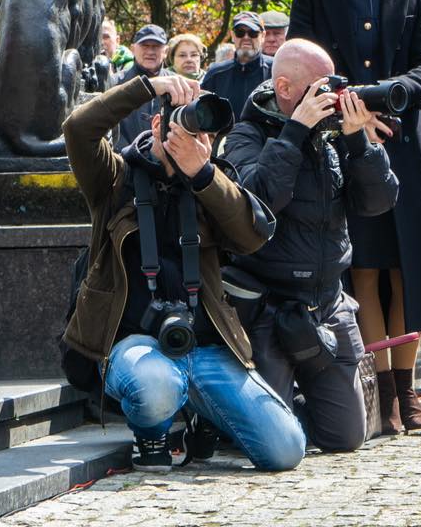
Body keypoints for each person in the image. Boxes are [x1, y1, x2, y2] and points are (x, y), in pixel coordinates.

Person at [61, 70, 304, 473]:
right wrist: (149, 86)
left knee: (286, 449)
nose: (193, 136)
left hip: (205, 348)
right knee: (157, 384)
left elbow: (252, 235)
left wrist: (204, 174)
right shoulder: (115, 176)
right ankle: (150, 435)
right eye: (182, 122)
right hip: (132, 346)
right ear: (157, 124)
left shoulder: (213, 181)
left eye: (202, 130)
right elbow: (78, 128)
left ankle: (203, 414)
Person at [288, 0, 421, 432]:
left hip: (402, 142)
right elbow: (308, 67)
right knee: (365, 268)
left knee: (407, 269)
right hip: (342, 143)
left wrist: (381, 100)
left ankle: (410, 392)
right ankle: (379, 393)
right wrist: (352, 113)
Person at [221, 39, 397, 452]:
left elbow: (379, 202)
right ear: (284, 88)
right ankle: (242, 408)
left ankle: (290, 406)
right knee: (273, 442)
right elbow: (258, 203)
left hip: (328, 302)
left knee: (346, 437)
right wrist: (295, 132)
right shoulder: (246, 135)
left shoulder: (335, 137)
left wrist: (359, 142)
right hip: (268, 304)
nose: (331, 97)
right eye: (320, 88)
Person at [201, 12, 272, 110]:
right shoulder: (215, 74)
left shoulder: (275, 70)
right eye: (240, 32)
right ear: (233, 35)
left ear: (263, 36)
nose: (246, 37)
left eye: (253, 33)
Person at [115, 25, 169, 146]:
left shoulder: (177, 85)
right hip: (124, 159)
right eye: (144, 45)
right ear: (133, 49)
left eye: (156, 46)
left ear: (166, 51)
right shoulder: (116, 82)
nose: (150, 52)